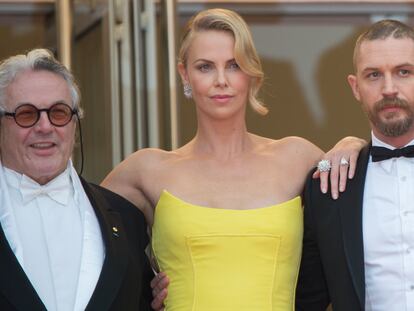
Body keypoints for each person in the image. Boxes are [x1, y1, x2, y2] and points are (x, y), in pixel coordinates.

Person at [102, 8, 365, 311]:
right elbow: (85, 241)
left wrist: (353, 144)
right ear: (184, 73)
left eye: (234, 65)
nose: (221, 80)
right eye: (205, 67)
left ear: (251, 72)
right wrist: (141, 292)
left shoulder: (297, 157)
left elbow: (362, 220)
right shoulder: (147, 169)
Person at [0, 49, 161, 311]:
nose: (44, 126)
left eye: (59, 113)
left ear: (75, 123)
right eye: (27, 114)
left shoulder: (126, 218)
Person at [296, 19, 414, 311]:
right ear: (355, 87)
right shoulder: (328, 186)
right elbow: (305, 299)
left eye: (403, 72)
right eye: (374, 75)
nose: (389, 89)